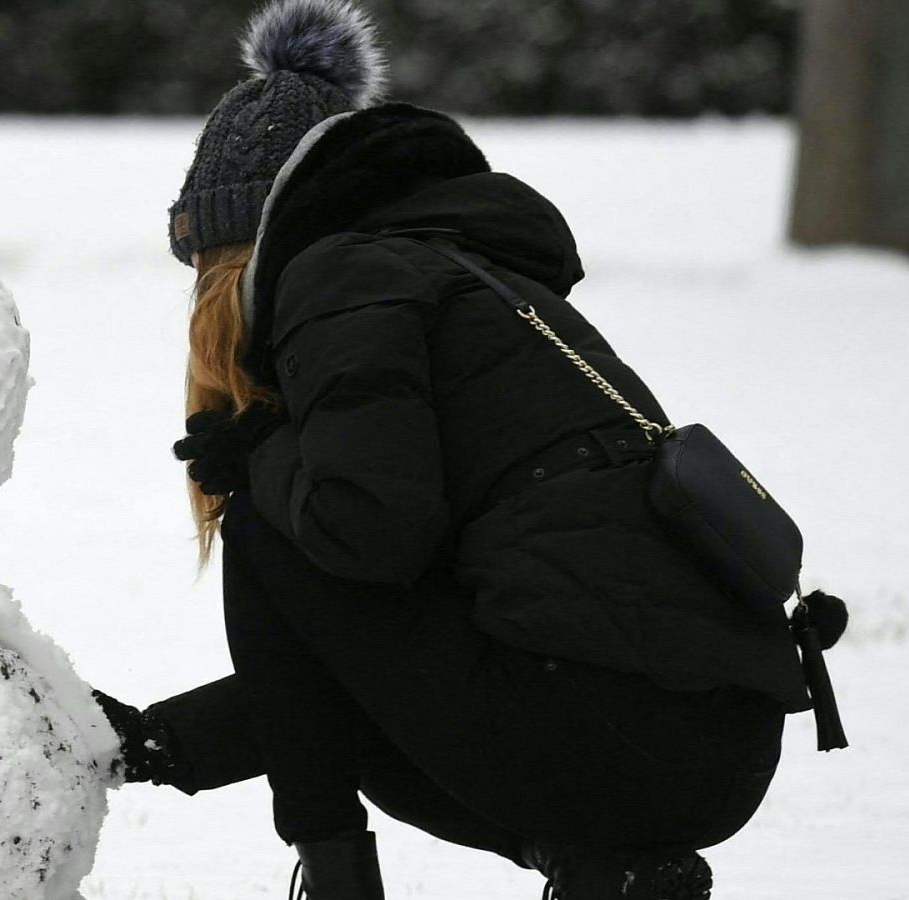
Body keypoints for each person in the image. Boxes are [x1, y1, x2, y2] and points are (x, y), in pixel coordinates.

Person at [94, 2, 813, 898]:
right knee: (304, 543)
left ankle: (337, 885)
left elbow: (365, 537)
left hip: (605, 728)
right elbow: (364, 651)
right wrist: (159, 745)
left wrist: (261, 462)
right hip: (722, 749)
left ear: (249, 239)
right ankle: (611, 874)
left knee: (272, 530)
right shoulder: (472, 279)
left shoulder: (341, 276)